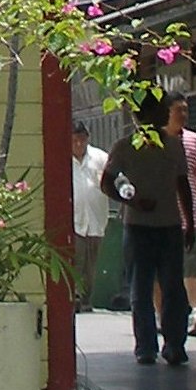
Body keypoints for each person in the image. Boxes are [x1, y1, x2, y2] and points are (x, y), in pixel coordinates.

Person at [102, 91, 196, 366]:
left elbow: (183, 186)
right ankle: (146, 346)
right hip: (138, 227)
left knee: (173, 288)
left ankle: (174, 344)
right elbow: (106, 183)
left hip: (169, 226)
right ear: (140, 115)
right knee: (141, 289)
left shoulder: (173, 146)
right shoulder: (124, 147)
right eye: (156, 111)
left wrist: (189, 222)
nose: (161, 116)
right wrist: (130, 200)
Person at [166, 97, 196, 336]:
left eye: (186, 110)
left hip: (192, 220)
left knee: (192, 266)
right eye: (178, 110)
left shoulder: (195, 141)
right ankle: (160, 313)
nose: (183, 114)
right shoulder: (152, 140)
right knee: (161, 271)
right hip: (163, 219)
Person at [71, 126, 110, 314]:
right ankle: (75, 297)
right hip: (74, 221)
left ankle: (86, 299)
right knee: (75, 260)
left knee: (90, 264)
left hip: (96, 220)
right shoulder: (63, 159)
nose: (78, 144)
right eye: (74, 140)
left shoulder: (100, 158)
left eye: (82, 140)